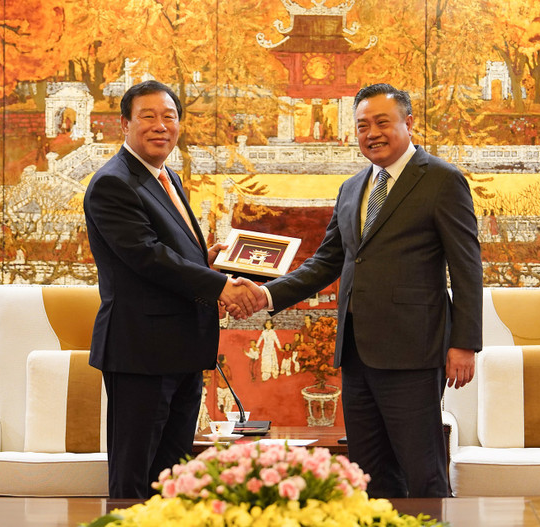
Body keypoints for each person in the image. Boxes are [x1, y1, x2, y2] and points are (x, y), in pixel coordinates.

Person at [253, 83, 483, 498]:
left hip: (414, 350)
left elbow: (466, 267)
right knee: (370, 473)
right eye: (362, 126)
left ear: (408, 123)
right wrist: (265, 295)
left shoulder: (442, 180)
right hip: (358, 353)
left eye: (382, 122)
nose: (372, 133)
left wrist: (465, 344)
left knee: (424, 472)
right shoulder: (351, 189)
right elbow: (326, 262)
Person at [83, 80, 258, 499]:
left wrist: (206, 261)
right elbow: (147, 257)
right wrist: (220, 286)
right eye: (148, 117)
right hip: (140, 351)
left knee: (173, 475)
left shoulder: (165, 176)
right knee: (134, 476)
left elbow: (167, 252)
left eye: (169, 117)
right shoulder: (114, 183)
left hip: (181, 349)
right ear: (124, 124)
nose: (160, 126)